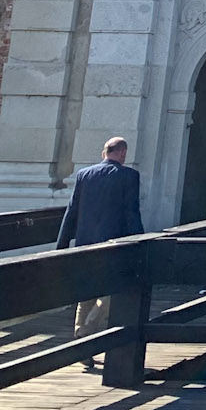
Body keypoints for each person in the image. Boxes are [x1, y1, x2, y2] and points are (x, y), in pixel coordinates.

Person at [56, 135, 144, 359]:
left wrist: (62, 245)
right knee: (111, 293)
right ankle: (88, 331)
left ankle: (81, 339)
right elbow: (131, 213)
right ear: (122, 153)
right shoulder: (129, 176)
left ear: (104, 152)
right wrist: (141, 243)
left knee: (86, 293)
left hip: (85, 244)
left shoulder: (84, 174)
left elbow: (72, 211)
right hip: (114, 246)